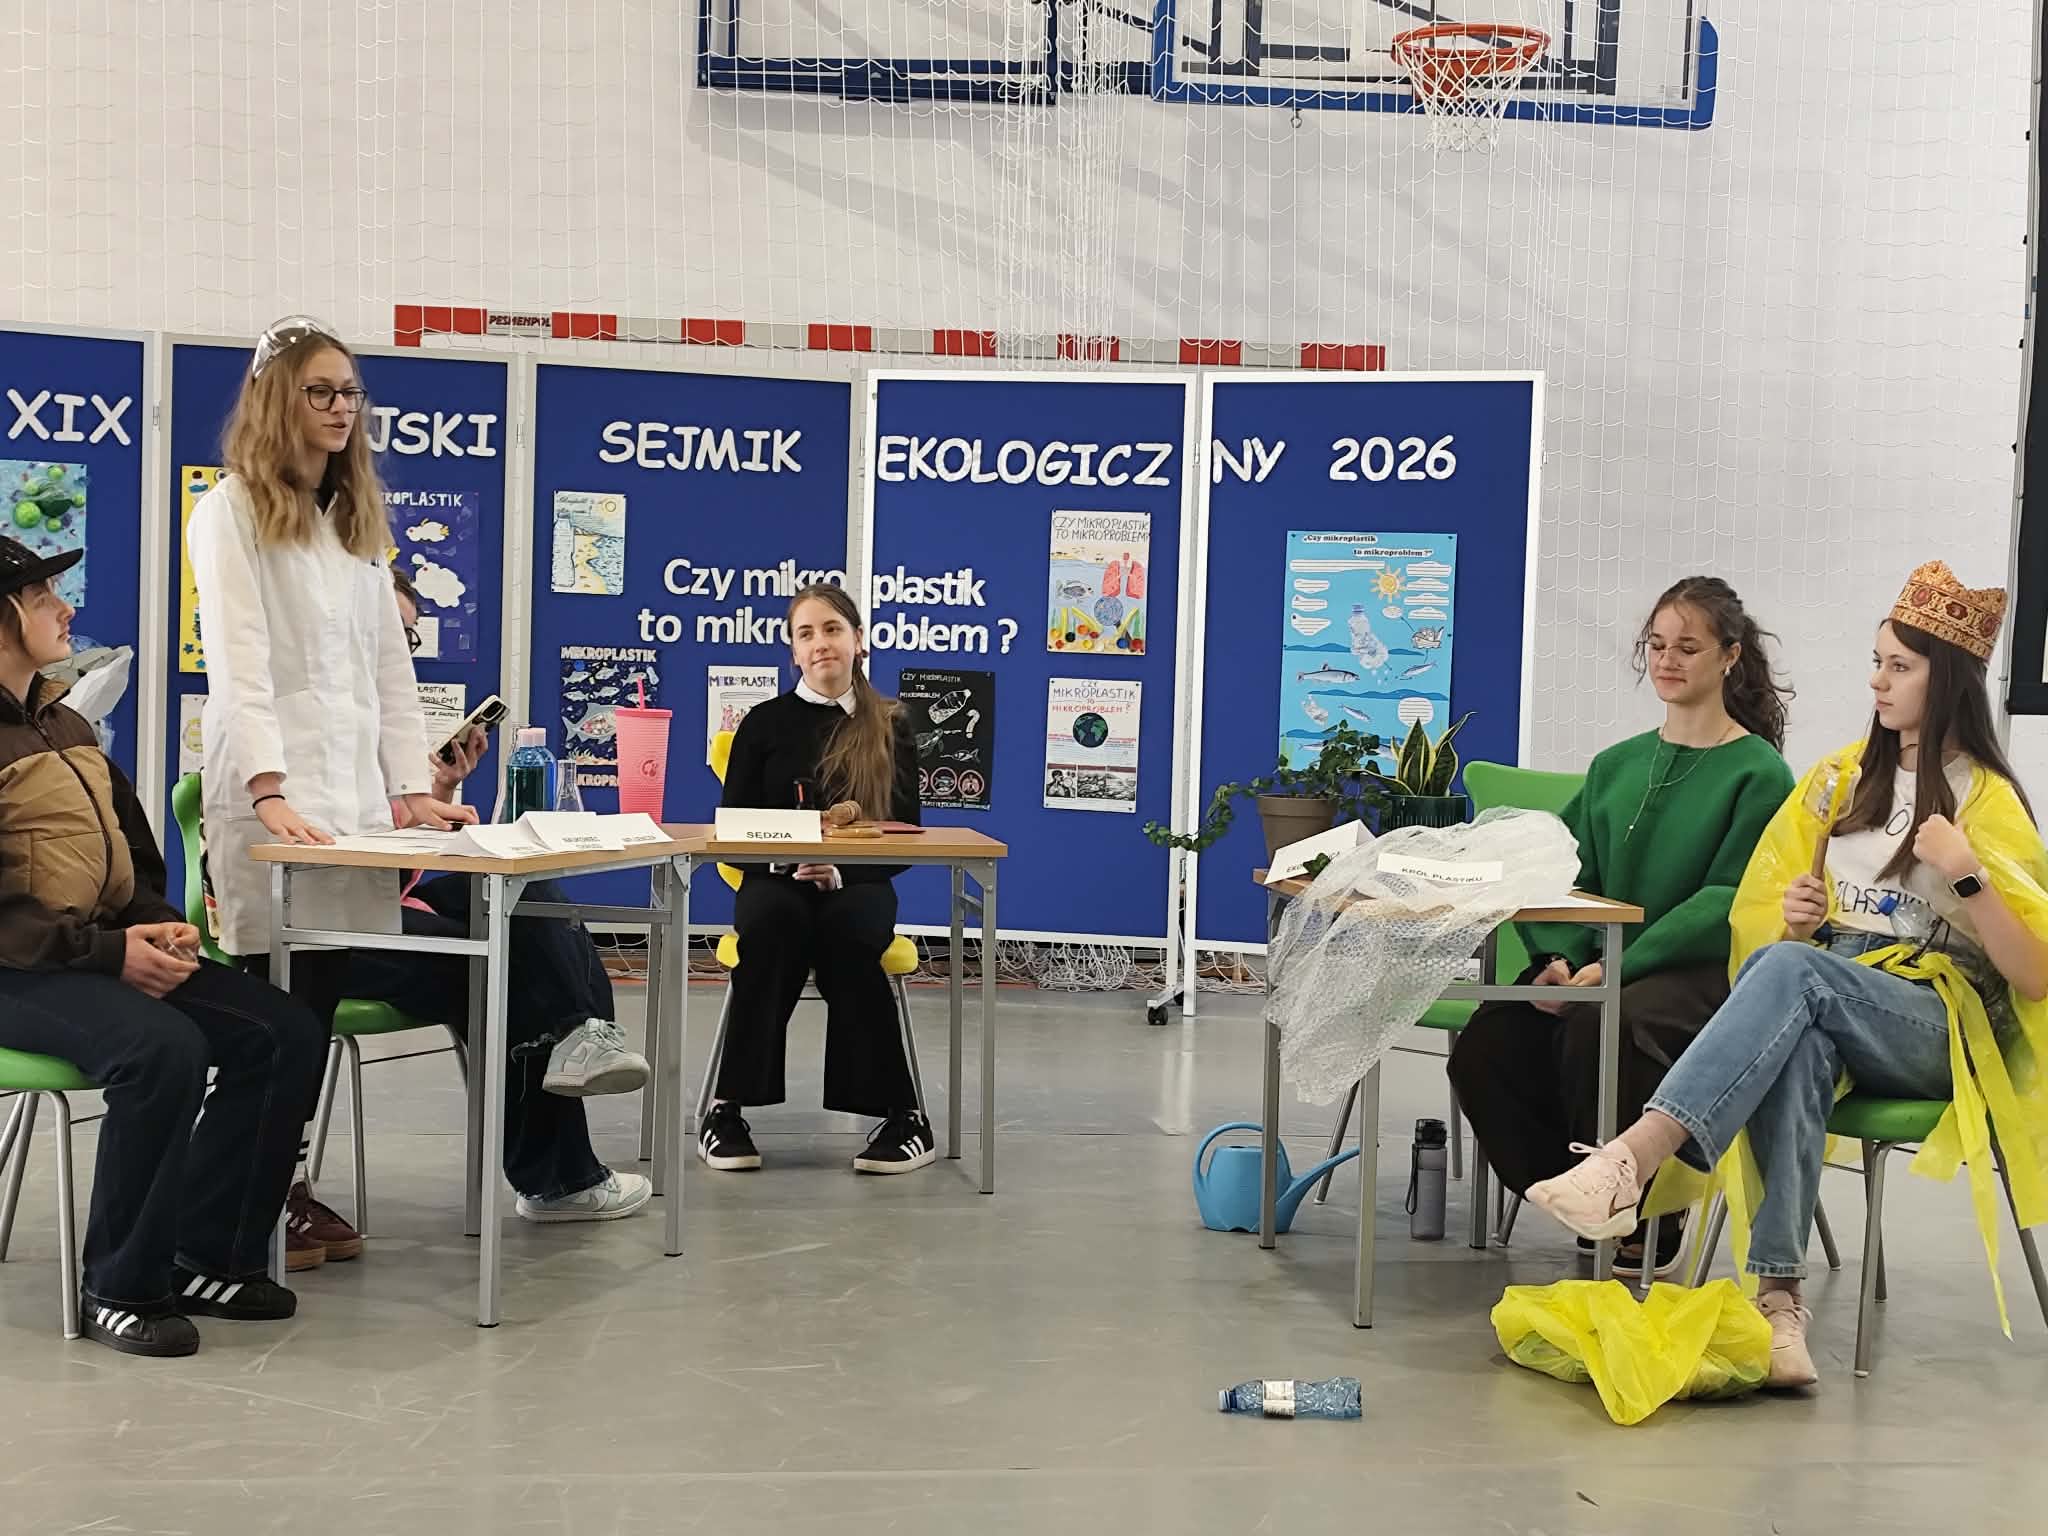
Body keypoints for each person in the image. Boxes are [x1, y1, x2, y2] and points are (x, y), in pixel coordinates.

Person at [1528, 561, 2048, 1387]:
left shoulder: (1985, 799)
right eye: (1875, 662)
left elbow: (2034, 976)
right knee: (1799, 1033)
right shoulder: (1842, 779)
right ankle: (1779, 1309)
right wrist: (1800, 918)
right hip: (1836, 987)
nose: (1877, 681)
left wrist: (1968, 876)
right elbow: (1761, 916)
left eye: (1899, 666)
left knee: (1797, 976)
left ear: (1947, 680)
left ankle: (1630, 1160)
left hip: (1940, 1024)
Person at [186, 316, 473, 1268]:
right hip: (273, 806)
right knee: (282, 1012)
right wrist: (269, 792)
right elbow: (239, 665)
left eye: (350, 391)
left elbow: (389, 670)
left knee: (319, 996)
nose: (341, 407)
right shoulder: (229, 510)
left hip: (350, 813)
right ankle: (241, 1203)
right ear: (276, 398)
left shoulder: (353, 521)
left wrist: (410, 792)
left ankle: (284, 1186)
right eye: (320, 390)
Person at [0, 538, 326, 1356]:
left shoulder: (65, 721)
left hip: (87, 951)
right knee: (160, 1050)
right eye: (43, 598)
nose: (67, 608)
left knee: (282, 1030)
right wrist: (110, 955)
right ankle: (121, 1284)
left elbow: (134, 856)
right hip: (17, 970)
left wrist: (152, 919)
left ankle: (208, 1256)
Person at [1448, 577, 1795, 1275]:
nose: (1667, 660)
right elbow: (1566, 871)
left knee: (1606, 1025)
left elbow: (1731, 899)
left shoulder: (1759, 774)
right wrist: (1556, 958)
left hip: (1698, 974)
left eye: (1687, 648)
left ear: (1730, 656)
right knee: (1489, 1042)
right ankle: (1574, 1187)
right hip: (1596, 963)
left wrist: (1615, 965)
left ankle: (1647, 1204)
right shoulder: (1616, 765)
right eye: (1657, 645)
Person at [333, 567, 651, 1222]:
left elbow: (390, 849)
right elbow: (334, 855)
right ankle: (561, 1173)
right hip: (329, 919)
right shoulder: (318, 717)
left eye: (408, 636)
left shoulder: (378, 718)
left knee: (526, 895)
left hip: (388, 897)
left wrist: (437, 791)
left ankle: (583, 1037)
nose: (400, 649)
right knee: (505, 963)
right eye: (389, 630)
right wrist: (416, 814)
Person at [699, 583, 931, 1175]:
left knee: (850, 936)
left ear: (859, 641)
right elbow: (733, 829)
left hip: (859, 883)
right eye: (806, 634)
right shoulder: (762, 723)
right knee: (769, 927)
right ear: (794, 652)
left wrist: (841, 871)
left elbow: (907, 831)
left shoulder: (892, 725)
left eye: (832, 629)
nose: (821, 643)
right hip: (775, 881)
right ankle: (726, 1111)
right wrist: (785, 863)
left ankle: (903, 1117)